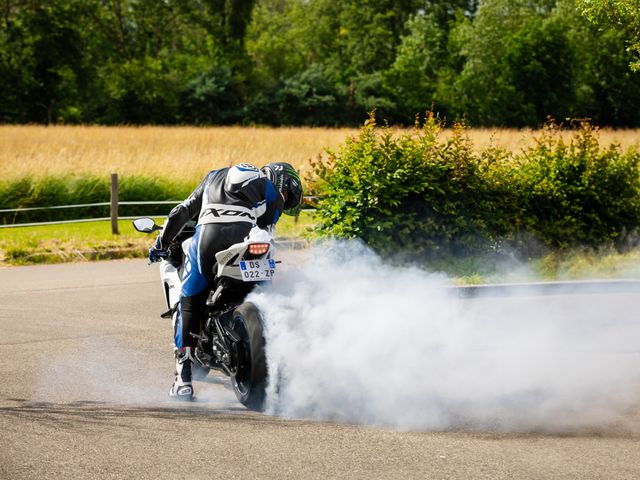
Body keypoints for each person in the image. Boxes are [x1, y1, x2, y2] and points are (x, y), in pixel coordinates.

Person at [148, 162, 303, 400]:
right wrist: (264, 228)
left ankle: (183, 380)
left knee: (190, 298)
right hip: (248, 240)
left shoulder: (213, 178)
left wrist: (161, 244)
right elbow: (276, 205)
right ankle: (285, 361)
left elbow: (180, 212)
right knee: (265, 295)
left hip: (209, 239)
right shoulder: (266, 187)